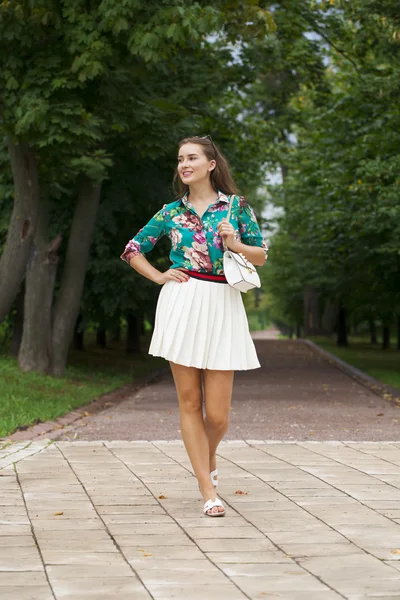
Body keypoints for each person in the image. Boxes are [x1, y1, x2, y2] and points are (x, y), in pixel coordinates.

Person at [120, 135, 268, 517]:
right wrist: (158, 277)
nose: (184, 165)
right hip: (182, 301)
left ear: (210, 164)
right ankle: (208, 491)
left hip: (223, 303)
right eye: (180, 159)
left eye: (192, 158)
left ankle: (208, 455)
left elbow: (262, 255)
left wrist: (234, 244)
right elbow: (133, 249)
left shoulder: (236, 207)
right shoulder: (170, 212)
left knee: (218, 415)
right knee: (190, 402)